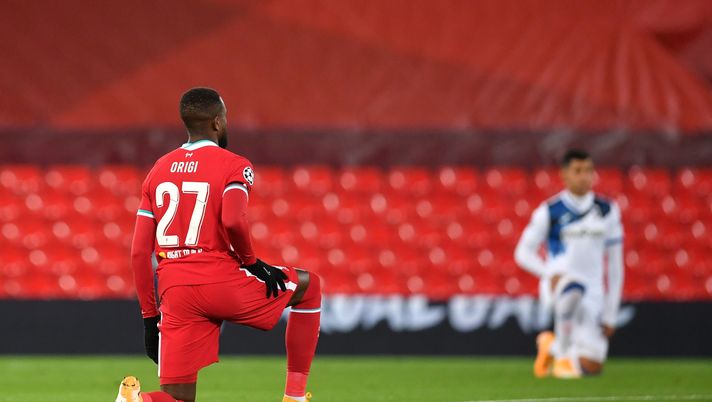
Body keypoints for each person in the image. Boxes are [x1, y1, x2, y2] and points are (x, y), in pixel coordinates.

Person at [117, 87, 320, 402]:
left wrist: (149, 316)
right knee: (310, 287)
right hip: (219, 279)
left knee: (178, 398)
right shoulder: (233, 165)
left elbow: (139, 253)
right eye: (225, 117)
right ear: (216, 123)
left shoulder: (158, 170)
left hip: (175, 291)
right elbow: (233, 220)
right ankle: (293, 397)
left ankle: (138, 400)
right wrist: (252, 262)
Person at [514, 149, 624, 378]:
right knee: (572, 287)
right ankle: (563, 354)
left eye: (588, 171)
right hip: (559, 285)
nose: (584, 176)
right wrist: (549, 273)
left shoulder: (607, 211)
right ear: (564, 175)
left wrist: (611, 313)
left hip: (593, 291)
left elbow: (615, 265)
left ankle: (551, 346)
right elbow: (522, 253)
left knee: (591, 366)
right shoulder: (550, 211)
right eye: (577, 171)